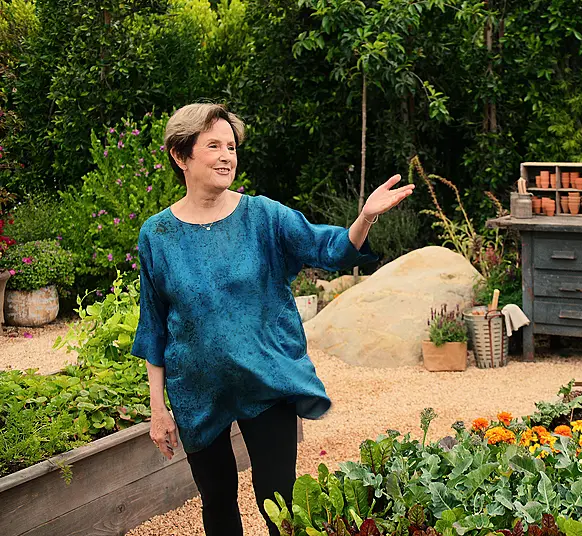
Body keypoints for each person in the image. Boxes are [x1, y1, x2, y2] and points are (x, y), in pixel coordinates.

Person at [131, 103, 414, 536]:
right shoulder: (157, 234)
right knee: (218, 502)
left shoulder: (262, 216)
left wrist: (365, 218)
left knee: (278, 501)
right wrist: (158, 409)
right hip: (197, 391)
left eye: (231, 146)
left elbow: (330, 249)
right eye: (213, 146)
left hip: (267, 379)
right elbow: (153, 324)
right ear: (180, 155)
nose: (227, 155)